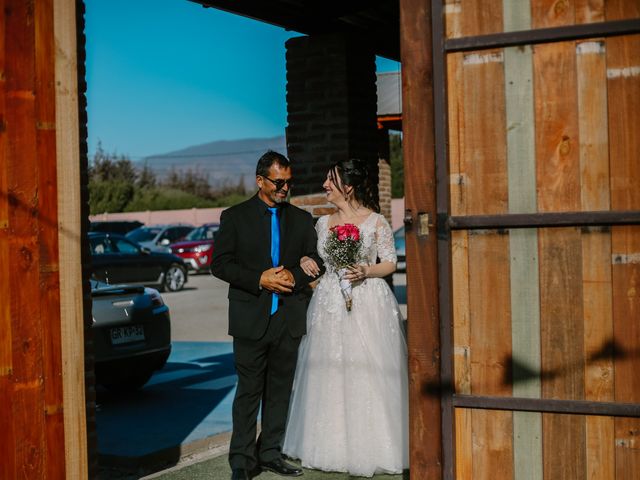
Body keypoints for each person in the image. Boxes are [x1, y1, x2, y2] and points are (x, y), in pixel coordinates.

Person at [282, 158, 409, 477]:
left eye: (330, 180)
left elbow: (390, 263)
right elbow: (315, 258)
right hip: (329, 303)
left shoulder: (376, 221)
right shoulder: (322, 224)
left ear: (347, 187)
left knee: (367, 368)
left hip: (366, 300)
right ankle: (330, 445)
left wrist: (366, 269)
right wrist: (307, 261)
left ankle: (375, 446)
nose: (324, 185)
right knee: (330, 368)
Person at [211, 151, 324, 480]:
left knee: (279, 392)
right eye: (278, 182)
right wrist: (259, 278)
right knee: (248, 392)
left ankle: (271, 453)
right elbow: (220, 264)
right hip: (250, 321)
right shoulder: (234, 217)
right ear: (260, 180)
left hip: (288, 320)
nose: (285, 188)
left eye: (288, 182)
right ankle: (242, 462)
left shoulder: (302, 221)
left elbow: (316, 260)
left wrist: (296, 274)